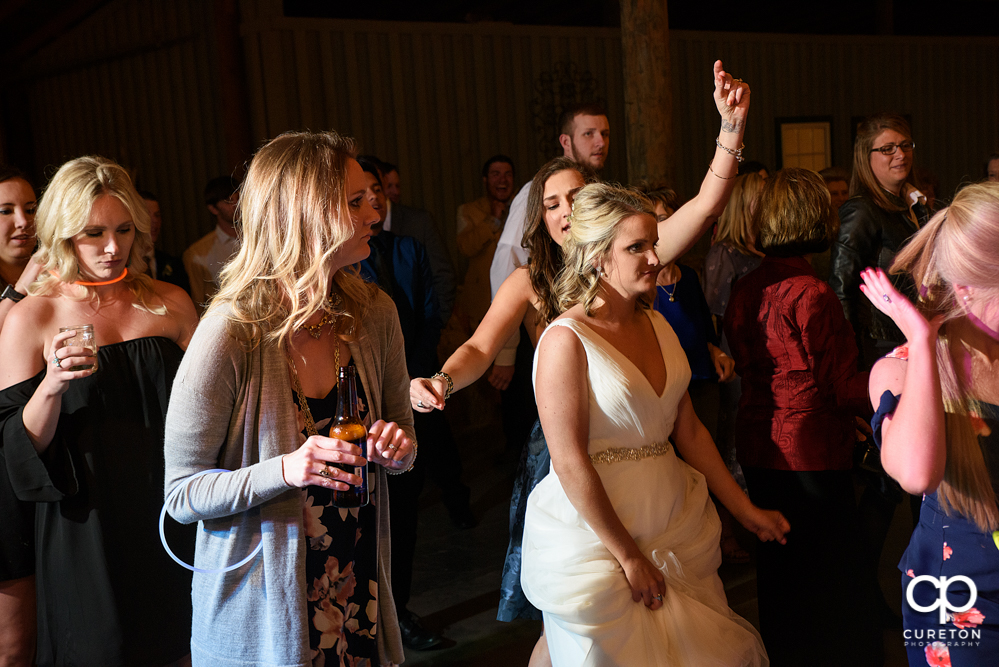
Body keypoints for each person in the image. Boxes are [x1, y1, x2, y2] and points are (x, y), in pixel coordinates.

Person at [411, 59, 755, 665]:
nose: (567, 208)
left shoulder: (632, 259)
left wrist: (729, 132)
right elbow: (479, 349)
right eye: (552, 202)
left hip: (641, 451)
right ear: (540, 217)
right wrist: (442, 380)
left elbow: (703, 208)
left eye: (577, 195)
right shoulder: (531, 281)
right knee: (579, 616)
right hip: (565, 454)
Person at [162, 131, 416, 667]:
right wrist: (286, 469)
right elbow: (181, 496)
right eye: (354, 200)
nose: (375, 210)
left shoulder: (374, 314)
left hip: (356, 583)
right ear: (305, 215)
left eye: (371, 195)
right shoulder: (232, 331)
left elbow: (405, 442)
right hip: (264, 609)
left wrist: (398, 448)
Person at [522, 182, 788, 666]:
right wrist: (628, 558)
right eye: (635, 247)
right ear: (598, 257)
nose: (652, 258)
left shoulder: (659, 325)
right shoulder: (566, 341)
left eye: (653, 244)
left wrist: (744, 510)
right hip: (602, 537)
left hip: (672, 520)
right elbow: (568, 461)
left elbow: (690, 433)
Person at [0, 156, 199, 666]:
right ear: (63, 235)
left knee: (183, 642)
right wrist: (52, 385)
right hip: (84, 523)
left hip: (169, 507)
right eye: (93, 233)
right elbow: (17, 449)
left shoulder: (171, 303)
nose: (113, 248)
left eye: (123, 229)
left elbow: (212, 407)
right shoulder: (33, 316)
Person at [724, 168, 881, 665]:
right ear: (815, 216)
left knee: (781, 574)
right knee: (833, 575)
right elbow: (839, 385)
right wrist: (897, 386)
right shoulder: (811, 292)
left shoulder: (746, 286)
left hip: (758, 443)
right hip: (811, 451)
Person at [860, 181, 999, 666]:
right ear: (964, 288)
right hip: (962, 598)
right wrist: (921, 341)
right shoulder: (899, 368)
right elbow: (918, 475)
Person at [356, 156, 472, 651]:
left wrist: (416, 374)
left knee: (404, 515)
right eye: (361, 196)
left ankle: (397, 612)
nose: (375, 200)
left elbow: (431, 312)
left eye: (378, 190)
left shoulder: (409, 248)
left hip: (414, 383)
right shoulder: (343, 268)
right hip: (360, 410)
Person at [830, 112, 929, 369]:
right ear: (866, 157)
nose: (901, 154)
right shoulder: (860, 210)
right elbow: (841, 290)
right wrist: (850, 356)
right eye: (888, 149)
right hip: (880, 345)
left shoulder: (916, 205)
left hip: (915, 337)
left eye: (906, 145)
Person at [0, 165, 41, 667]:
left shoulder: (58, 276)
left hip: (48, 457)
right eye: (6, 211)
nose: (22, 221)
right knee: (14, 640)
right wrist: (17, 295)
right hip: (2, 468)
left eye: (30, 208)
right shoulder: (24, 288)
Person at [456, 155, 515, 330]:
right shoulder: (468, 211)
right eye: (495, 174)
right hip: (482, 304)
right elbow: (465, 247)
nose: (502, 180)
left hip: (519, 298)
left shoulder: (525, 208)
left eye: (508, 174)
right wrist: (493, 219)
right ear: (485, 180)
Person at [183, 175, 240, 314]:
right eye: (228, 201)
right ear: (214, 209)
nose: (236, 205)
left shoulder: (257, 240)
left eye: (238, 198)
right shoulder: (197, 253)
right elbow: (198, 304)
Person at [140, 190, 191, 295]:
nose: (154, 221)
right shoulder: (123, 265)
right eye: (147, 214)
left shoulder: (173, 264)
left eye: (157, 215)